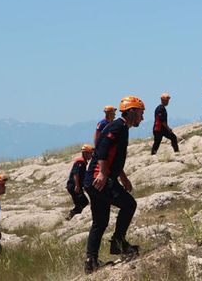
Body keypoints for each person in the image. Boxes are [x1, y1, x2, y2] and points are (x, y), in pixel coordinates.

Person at [84, 96, 145, 274]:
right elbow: (102, 149)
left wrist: (123, 178)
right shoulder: (117, 127)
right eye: (141, 113)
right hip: (99, 179)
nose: (142, 117)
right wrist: (103, 173)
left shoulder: (122, 128)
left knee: (100, 222)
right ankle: (118, 243)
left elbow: (114, 158)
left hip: (94, 180)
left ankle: (91, 261)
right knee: (129, 204)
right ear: (132, 112)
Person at [65, 144, 93, 220]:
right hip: (74, 186)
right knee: (84, 202)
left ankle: (72, 215)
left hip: (74, 186)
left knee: (82, 203)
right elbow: (76, 173)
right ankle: (72, 215)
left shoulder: (83, 162)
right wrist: (77, 186)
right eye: (90, 153)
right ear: (85, 153)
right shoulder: (80, 162)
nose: (91, 155)